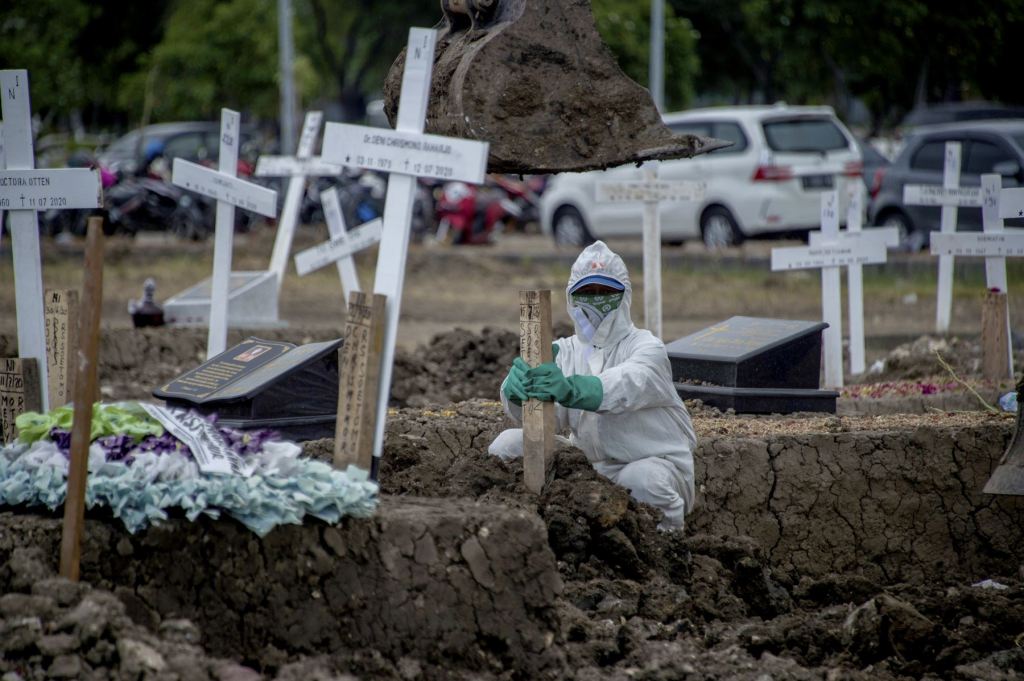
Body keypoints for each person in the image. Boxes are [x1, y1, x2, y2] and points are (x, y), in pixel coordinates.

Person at [489, 240, 697, 530]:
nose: (596, 300)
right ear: (571, 298)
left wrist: (574, 389)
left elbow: (629, 383)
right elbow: (549, 419)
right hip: (587, 472)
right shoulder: (562, 352)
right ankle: (521, 533)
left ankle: (665, 545)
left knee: (643, 480)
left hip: (655, 463)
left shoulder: (647, 348)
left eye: (606, 292)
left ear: (624, 295)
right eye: (587, 292)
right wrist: (517, 392)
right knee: (507, 445)